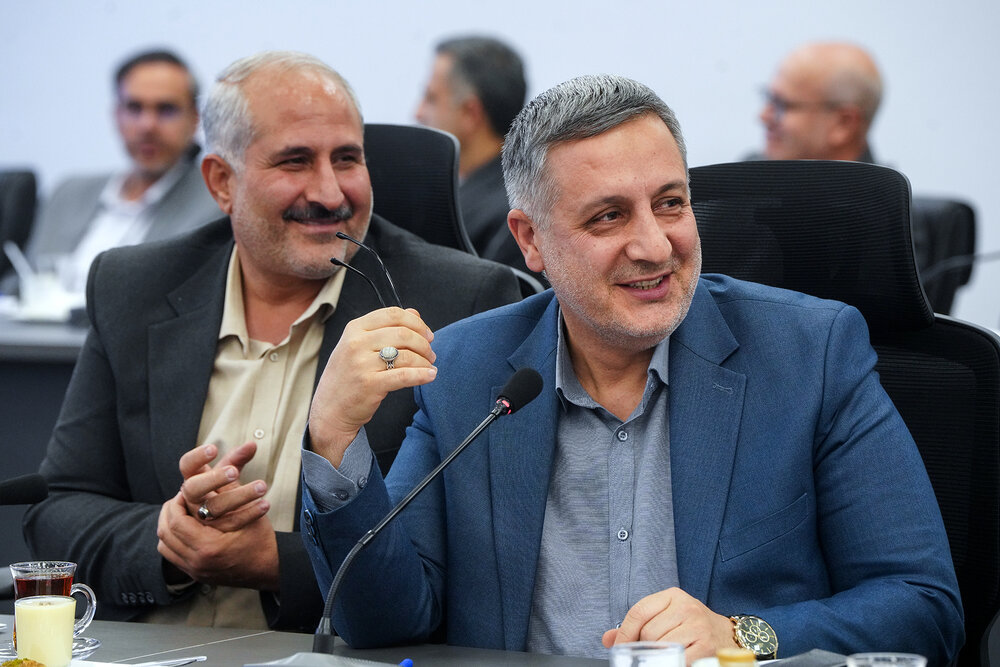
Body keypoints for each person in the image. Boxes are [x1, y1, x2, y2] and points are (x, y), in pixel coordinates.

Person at [300, 74, 964, 663]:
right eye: (609, 216)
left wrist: (742, 634)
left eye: (671, 203)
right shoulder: (468, 370)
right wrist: (333, 437)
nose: (653, 245)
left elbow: (922, 605)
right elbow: (386, 623)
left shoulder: (810, 354)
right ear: (531, 239)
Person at [23, 51, 522, 633]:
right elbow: (59, 510)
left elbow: (476, 558)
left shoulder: (458, 302)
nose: (330, 193)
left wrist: (276, 562)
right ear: (222, 182)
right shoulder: (134, 287)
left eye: (347, 159)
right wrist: (169, 538)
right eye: (295, 161)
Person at [18, 49, 220, 293]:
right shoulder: (68, 193)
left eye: (166, 109)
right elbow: (20, 284)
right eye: (134, 108)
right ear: (116, 115)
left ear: (195, 119)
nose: (147, 125)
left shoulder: (215, 200)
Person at [415, 36, 540, 283]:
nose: (418, 113)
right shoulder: (527, 192)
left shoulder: (503, 213)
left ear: (470, 113)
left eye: (431, 98)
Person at [756, 42, 882, 162]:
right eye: (769, 99)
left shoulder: (883, 181)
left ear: (843, 124)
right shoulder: (750, 172)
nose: (763, 116)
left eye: (781, 105)